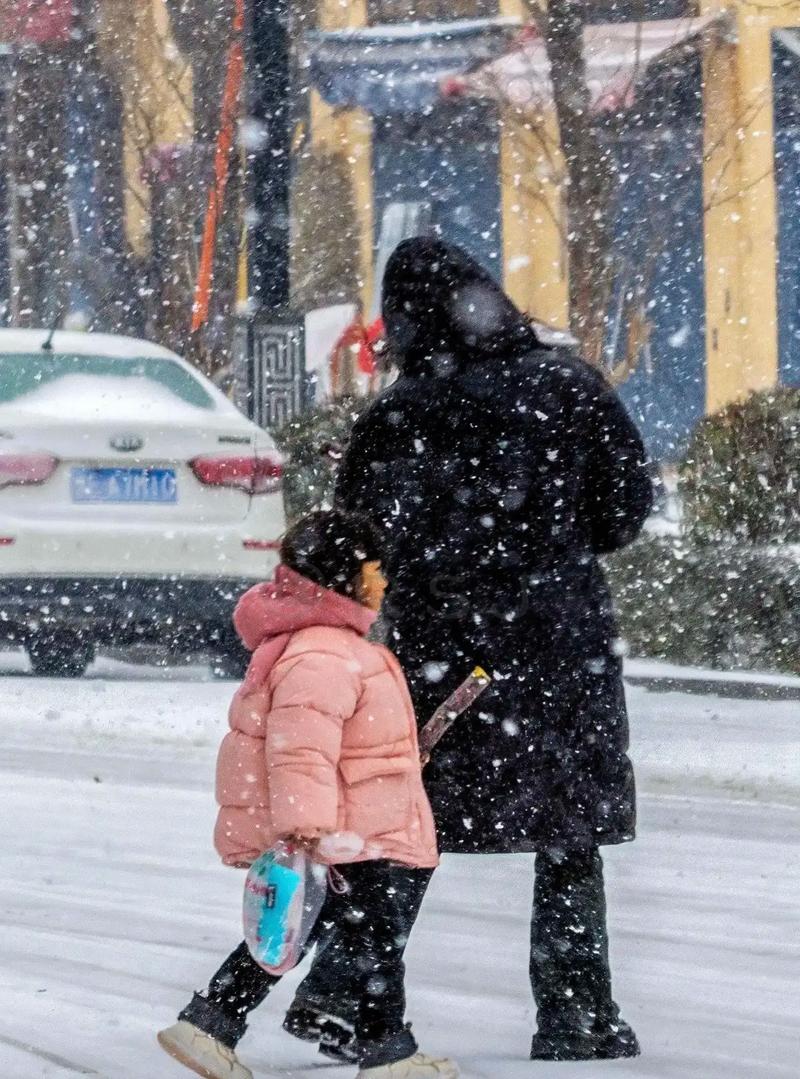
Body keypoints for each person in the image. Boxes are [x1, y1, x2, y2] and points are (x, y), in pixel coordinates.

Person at [284, 238, 653, 1063]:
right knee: (569, 829)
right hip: (562, 644)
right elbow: (625, 508)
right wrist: (548, 551)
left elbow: (363, 542)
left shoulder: (400, 414)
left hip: (443, 653)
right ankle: (577, 1012)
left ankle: (345, 988)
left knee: (409, 816)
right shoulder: (570, 386)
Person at [157, 509, 457, 1079]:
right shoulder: (324, 652)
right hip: (338, 832)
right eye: (375, 568)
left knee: (298, 928)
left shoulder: (333, 644)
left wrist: (398, 756)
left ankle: (211, 1022)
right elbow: (299, 748)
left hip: (346, 825)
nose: (384, 580)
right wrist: (306, 826)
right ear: (345, 576)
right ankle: (387, 1054)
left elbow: (342, 742)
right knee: (373, 939)